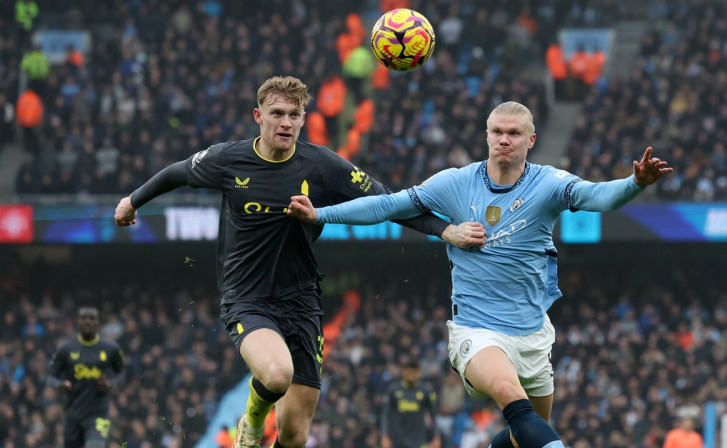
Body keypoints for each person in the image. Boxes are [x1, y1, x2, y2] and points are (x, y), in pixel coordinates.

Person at [113, 75, 483, 448]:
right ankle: (252, 423)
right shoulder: (229, 159)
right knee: (275, 376)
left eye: (294, 114)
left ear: (304, 119)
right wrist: (133, 201)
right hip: (247, 298)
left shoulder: (321, 165)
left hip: (302, 303)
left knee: (293, 436)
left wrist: (445, 230)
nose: (286, 122)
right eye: (277, 113)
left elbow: (387, 201)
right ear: (259, 116)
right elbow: (176, 173)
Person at [288, 101, 673, 448]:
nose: (504, 139)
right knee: (508, 392)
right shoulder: (456, 183)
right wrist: (321, 214)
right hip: (477, 330)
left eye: (514, 133)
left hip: (533, 333)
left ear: (531, 139)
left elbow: (599, 197)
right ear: (487, 135)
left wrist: (634, 183)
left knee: (527, 432)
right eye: (498, 132)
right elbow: (389, 206)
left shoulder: (550, 185)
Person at [47, 307, 125, 448]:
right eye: (83, 318)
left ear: (98, 323)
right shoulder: (66, 349)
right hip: (72, 415)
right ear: (77, 322)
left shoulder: (110, 349)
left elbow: (121, 373)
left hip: (98, 414)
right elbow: (51, 375)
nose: (87, 321)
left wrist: (110, 384)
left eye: (91, 318)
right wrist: (60, 385)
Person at [381, 359, 440, 448]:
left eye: (414, 371)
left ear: (419, 372)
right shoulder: (393, 390)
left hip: (419, 439)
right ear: (403, 371)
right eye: (409, 371)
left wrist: (436, 436)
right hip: (397, 439)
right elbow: (385, 414)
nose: (411, 374)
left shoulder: (426, 390)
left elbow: (433, 415)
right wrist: (384, 435)